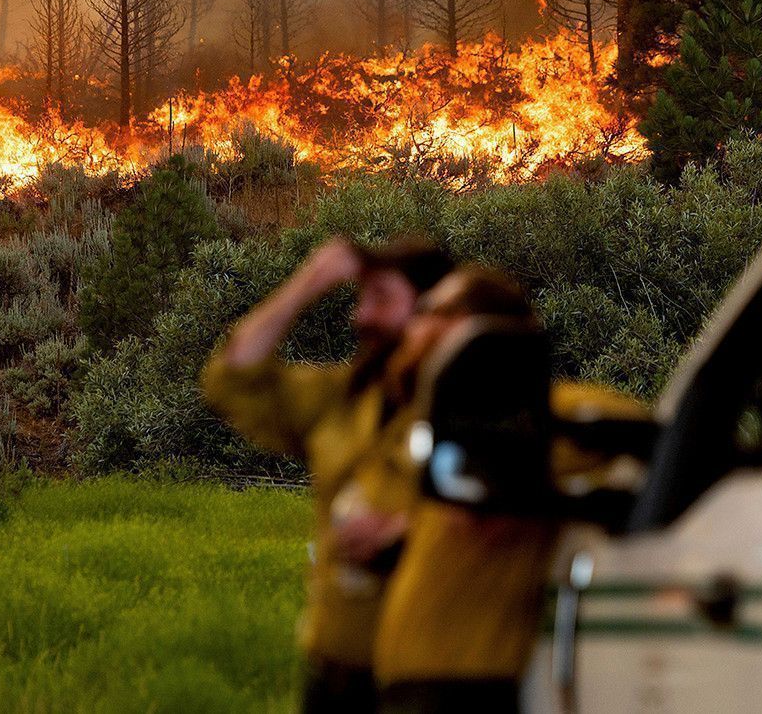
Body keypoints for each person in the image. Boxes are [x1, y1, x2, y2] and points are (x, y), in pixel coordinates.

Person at [373, 266, 652, 714]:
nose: (415, 324)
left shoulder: (544, 412)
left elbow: (648, 433)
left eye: (431, 310)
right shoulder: (454, 420)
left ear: (479, 326)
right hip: (417, 681)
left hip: (467, 686)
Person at [201, 236, 454, 713]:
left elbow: (515, 504)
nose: (361, 317)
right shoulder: (342, 399)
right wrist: (308, 283)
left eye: (381, 299)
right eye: (362, 299)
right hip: (336, 675)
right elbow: (232, 379)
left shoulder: (476, 408)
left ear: (429, 311)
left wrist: (406, 533)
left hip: (428, 680)